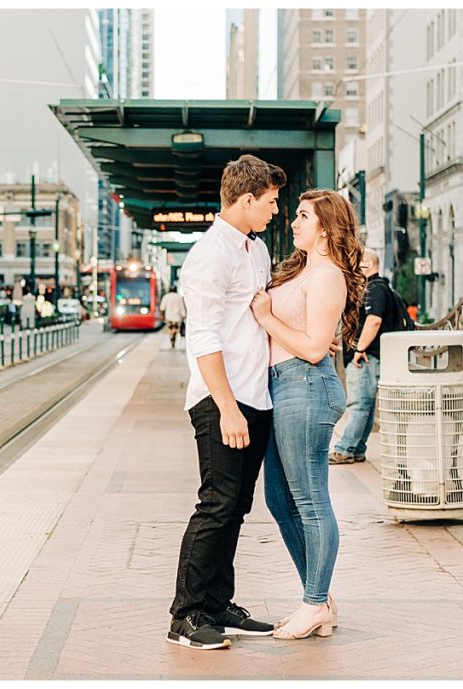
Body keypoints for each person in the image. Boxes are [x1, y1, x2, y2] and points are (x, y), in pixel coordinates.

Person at [167, 154, 287, 651]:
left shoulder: (254, 251)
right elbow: (203, 339)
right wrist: (228, 406)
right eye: (271, 201)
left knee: (236, 507)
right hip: (223, 401)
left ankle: (217, 604)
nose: (276, 210)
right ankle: (186, 616)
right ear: (245, 199)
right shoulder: (209, 256)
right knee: (215, 505)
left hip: (253, 397)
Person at [250, 189, 365, 640]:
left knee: (312, 501)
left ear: (325, 226)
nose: (293, 222)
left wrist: (266, 317)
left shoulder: (328, 275)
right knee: (280, 500)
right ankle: (319, 596)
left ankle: (314, 603)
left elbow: (316, 348)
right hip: (286, 385)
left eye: (302, 216)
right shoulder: (304, 270)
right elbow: (312, 334)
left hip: (305, 386)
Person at [329, 247, 393, 464]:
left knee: (358, 404)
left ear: (366, 264)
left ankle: (344, 448)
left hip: (366, 357)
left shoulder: (374, 289)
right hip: (370, 355)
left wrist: (359, 349)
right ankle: (357, 448)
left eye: (356, 262)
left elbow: (374, 320)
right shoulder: (380, 288)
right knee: (364, 405)